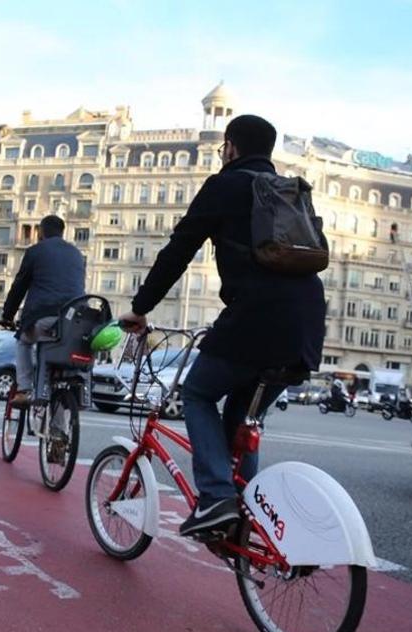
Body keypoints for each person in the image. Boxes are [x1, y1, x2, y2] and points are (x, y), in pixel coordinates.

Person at [119, 115, 326, 539]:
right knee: (239, 420)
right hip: (305, 325)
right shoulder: (291, 192)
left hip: (255, 318)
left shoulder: (224, 186)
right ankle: (244, 517)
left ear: (230, 146)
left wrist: (140, 308)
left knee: (196, 393)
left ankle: (215, 498)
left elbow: (178, 251)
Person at [0, 214, 86, 408]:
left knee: (23, 341)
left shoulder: (35, 251)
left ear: (41, 232)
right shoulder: (77, 254)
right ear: (62, 232)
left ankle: (24, 389)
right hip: (74, 322)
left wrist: (7, 315)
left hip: (44, 317)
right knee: (59, 346)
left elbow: (19, 286)